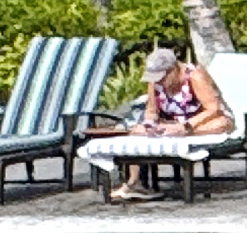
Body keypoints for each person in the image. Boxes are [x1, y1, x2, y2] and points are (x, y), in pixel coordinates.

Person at [84, 48, 234, 204]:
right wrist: (149, 124)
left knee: (220, 123)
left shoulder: (194, 77)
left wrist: (187, 126)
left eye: (162, 78)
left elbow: (213, 108)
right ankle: (134, 182)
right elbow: (151, 110)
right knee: (137, 130)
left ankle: (182, 138)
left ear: (173, 70)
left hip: (202, 120)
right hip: (173, 121)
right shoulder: (154, 82)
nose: (159, 82)